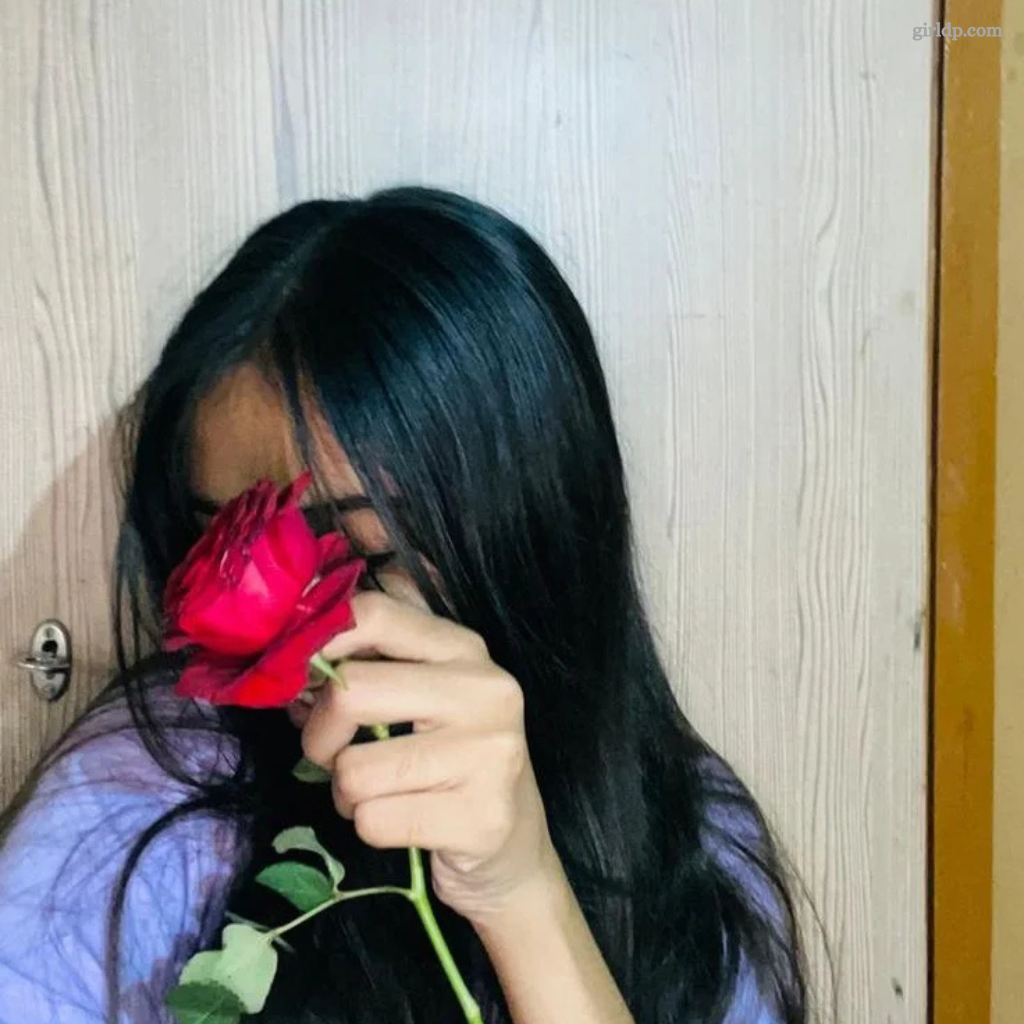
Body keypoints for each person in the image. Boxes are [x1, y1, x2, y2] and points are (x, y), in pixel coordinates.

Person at [0, 187, 808, 1024]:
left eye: (354, 546)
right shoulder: (145, 794)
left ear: (526, 531)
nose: (279, 623)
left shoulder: (686, 839)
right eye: (223, 541)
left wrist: (524, 899)